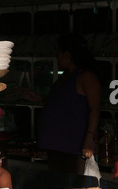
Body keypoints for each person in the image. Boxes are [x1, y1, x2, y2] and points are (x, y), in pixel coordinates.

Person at [37, 32, 101, 175]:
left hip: (73, 146)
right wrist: (37, 98)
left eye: (59, 52)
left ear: (67, 55)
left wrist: (89, 139)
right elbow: (62, 104)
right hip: (55, 145)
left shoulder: (86, 77)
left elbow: (95, 109)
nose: (56, 56)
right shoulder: (64, 78)